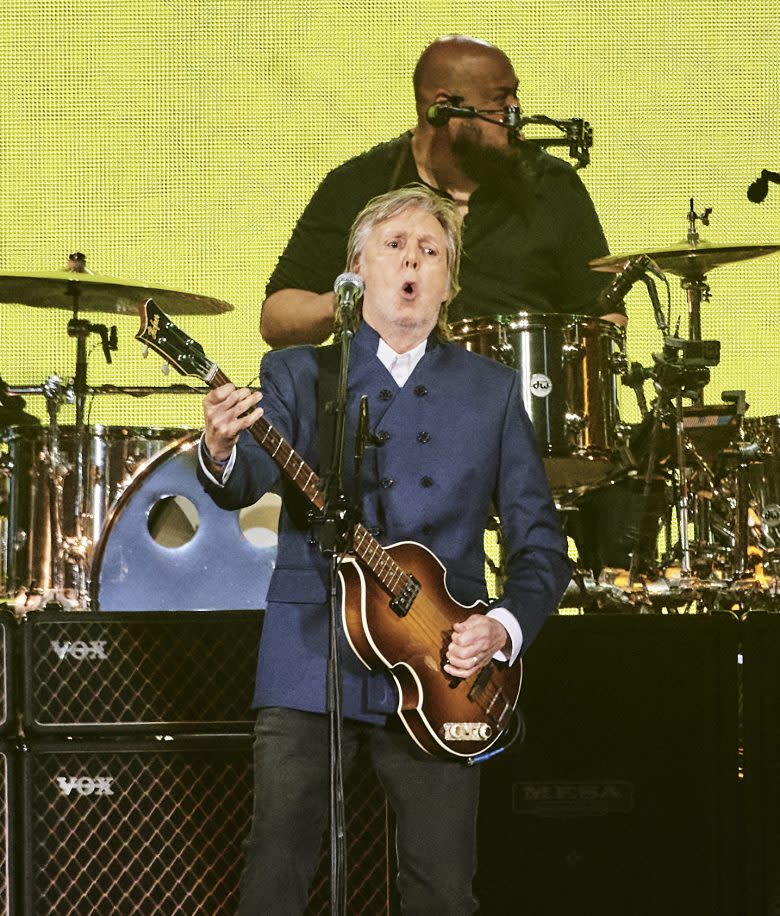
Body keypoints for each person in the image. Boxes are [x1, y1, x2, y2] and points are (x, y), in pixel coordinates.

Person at [198, 186, 571, 913]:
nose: (412, 261)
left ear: (449, 283)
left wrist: (500, 629)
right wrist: (217, 445)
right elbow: (248, 477)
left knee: (442, 884)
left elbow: (541, 548)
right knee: (276, 868)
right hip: (313, 652)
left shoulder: (492, 392)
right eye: (395, 245)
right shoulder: (299, 374)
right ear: (355, 270)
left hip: (443, 664)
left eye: (431, 251)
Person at [259, 34, 625, 351]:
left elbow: (603, 314)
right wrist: (346, 300)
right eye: (501, 100)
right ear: (443, 108)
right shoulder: (359, 184)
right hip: (390, 419)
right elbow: (276, 317)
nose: (516, 111)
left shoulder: (553, 184)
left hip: (526, 414)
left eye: (516, 96)